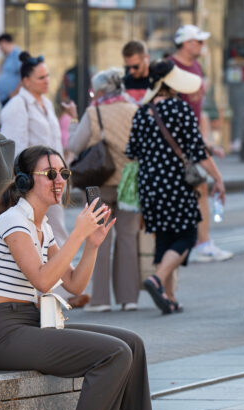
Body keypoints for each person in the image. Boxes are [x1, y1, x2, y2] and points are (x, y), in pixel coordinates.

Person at [0, 145, 180, 410]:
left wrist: (92, 244)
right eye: (50, 174)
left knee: (132, 343)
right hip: (3, 334)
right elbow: (43, 281)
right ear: (26, 180)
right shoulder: (14, 222)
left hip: (31, 325)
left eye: (64, 174)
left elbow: (74, 284)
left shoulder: (41, 227)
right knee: (113, 354)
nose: (60, 181)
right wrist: (76, 234)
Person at [126, 60, 226, 314]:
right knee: (187, 236)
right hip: (176, 184)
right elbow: (198, 151)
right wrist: (218, 178)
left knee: (164, 238)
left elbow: (132, 152)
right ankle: (157, 279)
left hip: (149, 185)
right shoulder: (180, 109)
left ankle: (169, 298)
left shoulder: (141, 111)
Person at [0, 51, 87, 308]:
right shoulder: (17, 105)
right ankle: (56, 293)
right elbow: (15, 150)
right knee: (41, 233)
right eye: (40, 77)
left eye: (48, 76)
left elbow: (58, 144)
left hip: (52, 178)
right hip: (33, 182)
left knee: (54, 232)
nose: (46, 81)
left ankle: (62, 291)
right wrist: (26, 180)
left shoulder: (46, 104)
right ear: (25, 80)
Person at [67, 69, 141, 312]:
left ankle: (100, 299)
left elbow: (74, 145)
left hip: (97, 184)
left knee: (98, 239)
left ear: (99, 91)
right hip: (130, 182)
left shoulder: (93, 111)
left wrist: (74, 123)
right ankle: (129, 298)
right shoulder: (134, 110)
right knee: (129, 238)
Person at [171, 24, 233, 263]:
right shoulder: (173, 68)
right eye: (198, 42)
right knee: (198, 188)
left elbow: (200, 112)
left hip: (192, 140)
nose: (202, 46)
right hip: (178, 142)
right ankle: (198, 243)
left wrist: (205, 141)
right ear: (186, 43)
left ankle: (200, 241)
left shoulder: (196, 67)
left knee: (199, 189)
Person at [0, 33, 22, 107]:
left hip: (12, 97)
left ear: (4, 42)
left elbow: (23, 76)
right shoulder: (7, 56)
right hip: (6, 97)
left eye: (0, 45)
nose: (0, 48)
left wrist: (15, 93)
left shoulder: (17, 54)